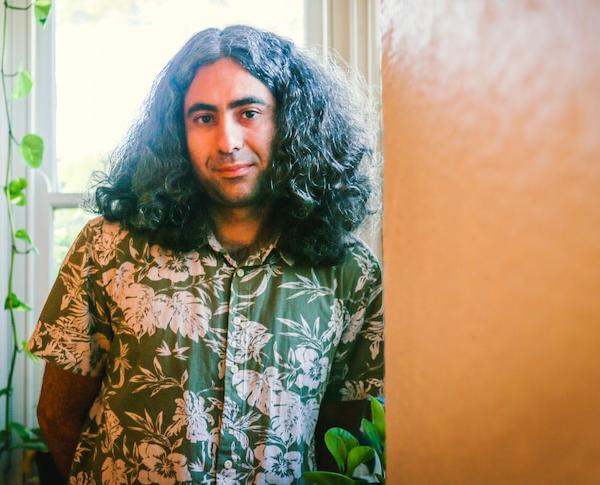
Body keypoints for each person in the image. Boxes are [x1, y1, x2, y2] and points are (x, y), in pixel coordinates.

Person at [27, 24, 384, 484]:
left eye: (249, 112)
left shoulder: (350, 271)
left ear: (290, 121)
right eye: (203, 117)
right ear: (177, 131)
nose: (227, 142)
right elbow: (57, 415)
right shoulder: (107, 248)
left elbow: (347, 449)